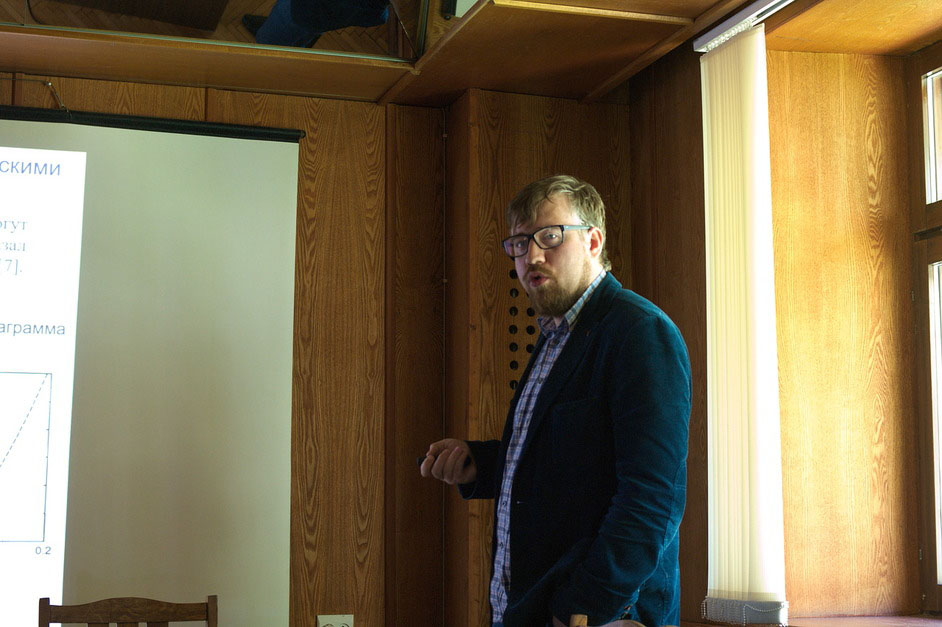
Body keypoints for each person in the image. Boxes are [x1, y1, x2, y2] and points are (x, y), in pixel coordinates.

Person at [420, 175, 691, 627]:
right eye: (519, 244)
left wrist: (582, 607)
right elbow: (569, 461)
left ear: (593, 241)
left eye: (549, 237)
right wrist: (480, 463)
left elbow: (652, 499)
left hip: (600, 615)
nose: (532, 256)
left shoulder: (638, 332)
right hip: (528, 608)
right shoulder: (555, 337)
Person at [242, 0, 388, 48]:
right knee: (306, 32)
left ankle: (273, 39)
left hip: (307, 9)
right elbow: (379, 16)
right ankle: (296, 43)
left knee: (268, 39)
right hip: (325, 15)